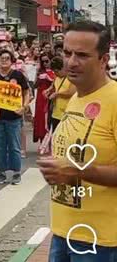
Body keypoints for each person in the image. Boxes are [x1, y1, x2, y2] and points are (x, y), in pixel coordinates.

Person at [37, 20, 117, 262]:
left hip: (102, 241)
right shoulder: (76, 98)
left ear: (103, 60)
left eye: (82, 55)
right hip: (64, 231)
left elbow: (77, 168)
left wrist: (78, 171)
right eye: (67, 52)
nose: (71, 62)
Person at [0, 50, 31, 185]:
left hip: (14, 117)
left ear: (11, 60)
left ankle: (16, 172)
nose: (4, 60)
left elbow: (26, 92)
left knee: (14, 146)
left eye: (7, 58)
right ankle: (1, 172)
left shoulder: (18, 75)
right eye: (2, 58)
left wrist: (24, 107)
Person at [44, 56, 76, 131]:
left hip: (67, 113)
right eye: (54, 72)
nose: (55, 73)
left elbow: (71, 92)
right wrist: (48, 90)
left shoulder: (72, 78)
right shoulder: (57, 77)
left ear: (63, 68)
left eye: (57, 71)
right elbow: (54, 85)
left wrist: (57, 94)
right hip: (55, 112)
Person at [33, 53, 55, 143]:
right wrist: (37, 76)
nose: (45, 63)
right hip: (40, 96)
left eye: (47, 61)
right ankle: (42, 140)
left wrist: (49, 77)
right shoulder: (40, 71)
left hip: (50, 95)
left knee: (48, 117)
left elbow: (57, 82)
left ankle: (49, 140)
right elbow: (35, 85)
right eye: (43, 61)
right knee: (40, 117)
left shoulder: (54, 71)